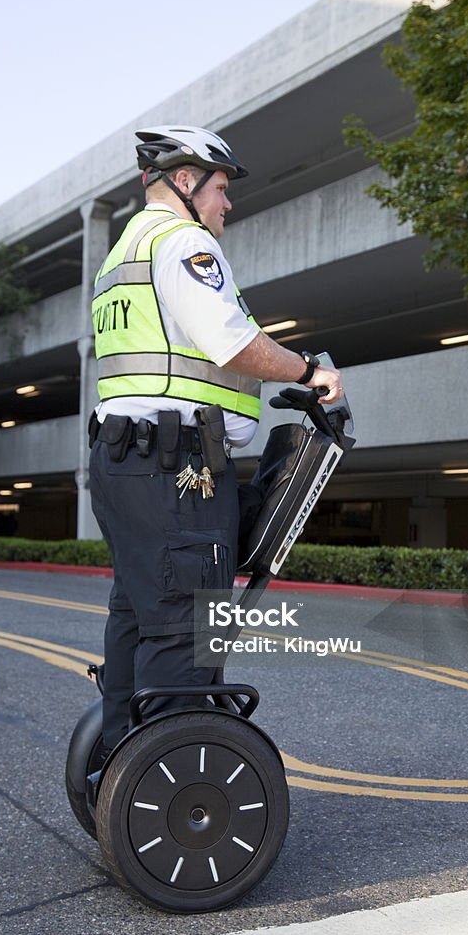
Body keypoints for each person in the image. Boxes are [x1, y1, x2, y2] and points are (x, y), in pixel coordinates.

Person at [88, 125, 343, 751]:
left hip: (125, 463)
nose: (226, 204)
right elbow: (233, 342)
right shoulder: (182, 243)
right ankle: (176, 780)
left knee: (137, 614)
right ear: (183, 182)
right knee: (185, 624)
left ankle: (120, 753)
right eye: (221, 188)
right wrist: (312, 371)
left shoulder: (123, 255)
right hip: (176, 471)